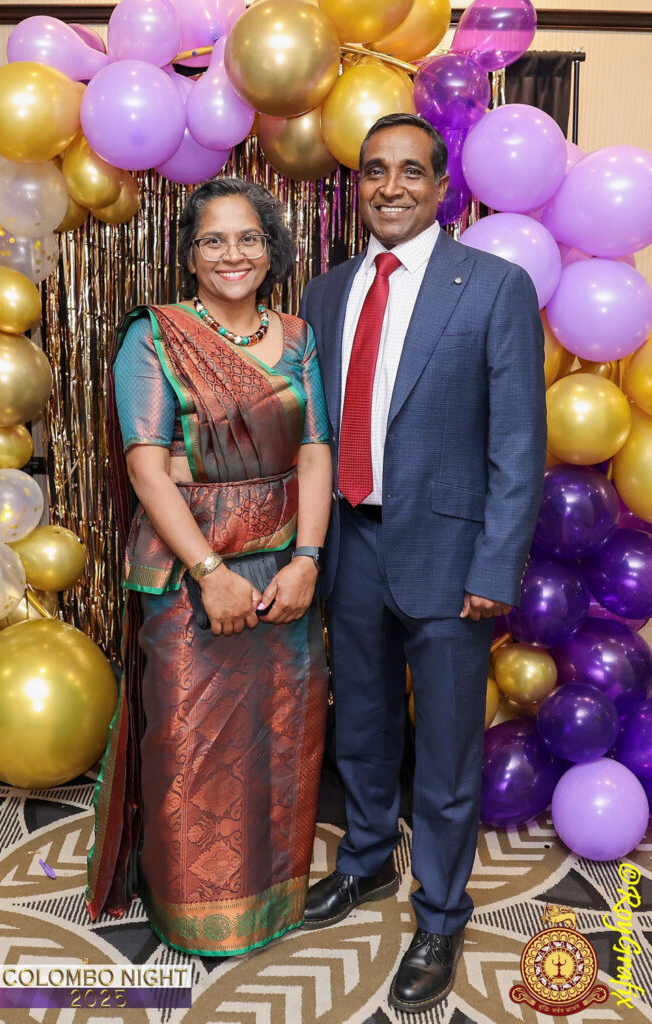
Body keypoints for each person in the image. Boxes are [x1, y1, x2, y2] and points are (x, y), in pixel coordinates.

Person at [299, 114, 546, 1013]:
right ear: (356, 186)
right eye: (374, 171)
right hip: (350, 547)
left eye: (410, 171)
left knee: (443, 753)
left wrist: (494, 565)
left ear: (442, 188)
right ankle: (365, 861)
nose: (390, 186)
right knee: (361, 730)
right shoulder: (326, 292)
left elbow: (517, 443)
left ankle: (440, 912)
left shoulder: (494, 286)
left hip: (450, 558)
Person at [86, 177, 332, 957]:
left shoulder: (297, 336)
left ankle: (271, 901)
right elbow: (147, 468)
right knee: (190, 747)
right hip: (191, 578)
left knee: (282, 742)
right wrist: (209, 572)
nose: (232, 254)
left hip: (283, 571)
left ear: (271, 249)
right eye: (212, 240)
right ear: (189, 257)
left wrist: (307, 560)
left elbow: (314, 450)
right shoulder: (155, 336)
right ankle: (195, 915)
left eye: (248, 237)